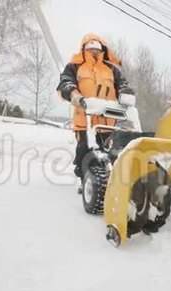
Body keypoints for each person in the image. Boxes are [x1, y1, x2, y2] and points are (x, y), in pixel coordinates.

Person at [57, 34, 135, 183]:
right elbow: (65, 82)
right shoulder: (75, 66)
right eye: (90, 48)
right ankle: (85, 181)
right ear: (84, 48)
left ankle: (110, 181)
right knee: (84, 151)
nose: (94, 51)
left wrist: (125, 95)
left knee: (110, 153)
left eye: (97, 48)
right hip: (84, 119)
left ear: (102, 50)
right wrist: (73, 94)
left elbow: (124, 85)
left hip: (107, 121)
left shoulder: (111, 69)